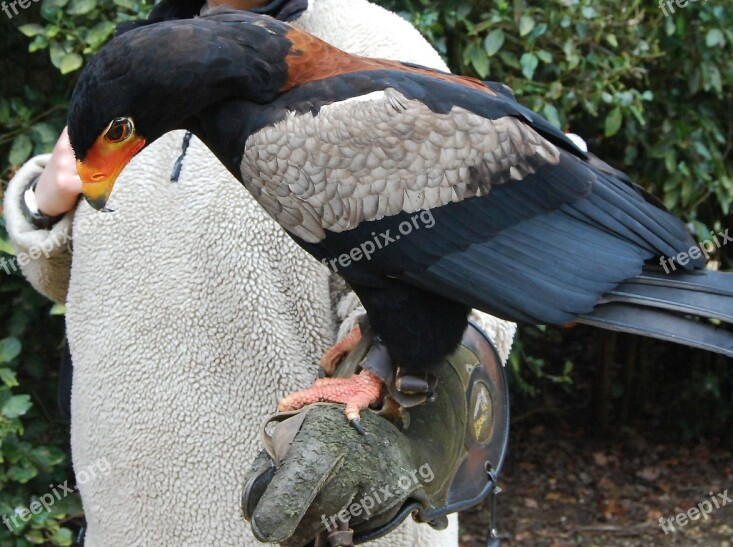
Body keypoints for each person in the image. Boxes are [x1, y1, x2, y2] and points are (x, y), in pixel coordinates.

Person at [3, 0, 517, 544]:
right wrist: (44, 206)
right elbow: (79, 285)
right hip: (126, 523)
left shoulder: (374, 47)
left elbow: (476, 284)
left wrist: (391, 408)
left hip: (310, 528)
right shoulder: (137, 63)